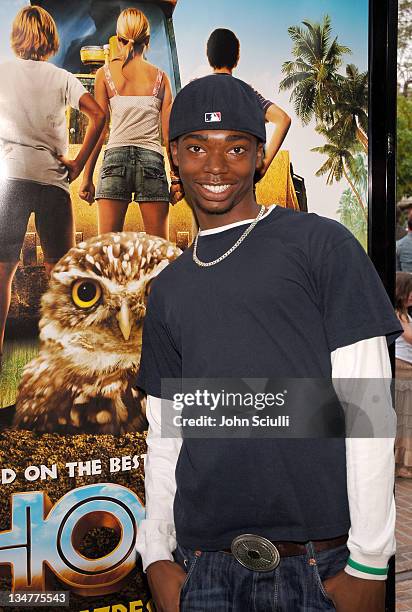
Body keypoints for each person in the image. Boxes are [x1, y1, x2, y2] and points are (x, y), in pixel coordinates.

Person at [135, 75, 402, 611]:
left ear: (260, 156)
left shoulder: (321, 244)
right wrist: (156, 556)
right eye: (196, 147)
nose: (215, 166)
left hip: (318, 567)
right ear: (174, 158)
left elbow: (368, 408)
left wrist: (370, 564)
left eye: (235, 147)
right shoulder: (168, 287)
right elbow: (165, 437)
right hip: (200, 568)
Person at [0, 5, 105, 358]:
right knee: (60, 273)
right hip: (53, 181)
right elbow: (98, 114)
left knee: (2, 273)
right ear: (50, 38)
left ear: (17, 36)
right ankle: (67, 354)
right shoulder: (62, 77)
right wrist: (78, 163)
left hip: (11, 179)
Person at [79, 7, 173, 239]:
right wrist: (177, 179)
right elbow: (169, 136)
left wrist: (87, 177)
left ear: (118, 40)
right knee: (158, 254)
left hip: (114, 162)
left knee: (107, 252)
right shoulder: (161, 78)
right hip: (152, 162)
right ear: (148, 40)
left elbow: (99, 130)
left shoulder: (105, 74)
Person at [395, 271, 412, 477]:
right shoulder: (396, 314)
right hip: (402, 371)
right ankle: (401, 464)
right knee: (403, 419)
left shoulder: (405, 314)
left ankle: (403, 463)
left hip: (407, 370)